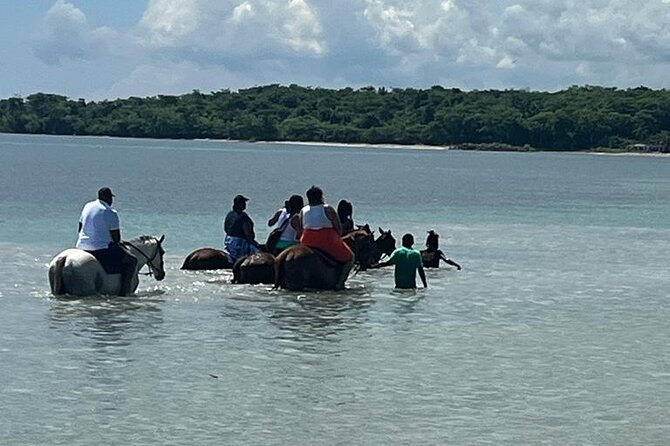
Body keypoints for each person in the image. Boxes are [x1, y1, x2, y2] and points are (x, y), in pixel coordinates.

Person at [76, 187, 138, 296]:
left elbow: (80, 228)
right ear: (108, 198)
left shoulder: (87, 206)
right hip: (100, 249)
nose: (111, 200)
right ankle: (124, 293)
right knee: (132, 261)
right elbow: (116, 238)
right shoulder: (110, 212)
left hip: (81, 246)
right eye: (111, 197)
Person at [297, 186, 355, 290]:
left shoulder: (303, 210)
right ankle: (340, 284)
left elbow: (301, 228)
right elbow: (339, 229)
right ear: (321, 197)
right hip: (326, 240)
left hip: (306, 240)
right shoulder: (328, 209)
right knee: (350, 258)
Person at [223, 194, 259, 263]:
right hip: (240, 242)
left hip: (229, 241)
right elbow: (248, 233)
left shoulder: (229, 214)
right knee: (258, 254)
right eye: (243, 203)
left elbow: (225, 229)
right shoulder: (243, 217)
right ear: (239, 204)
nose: (245, 205)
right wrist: (253, 243)